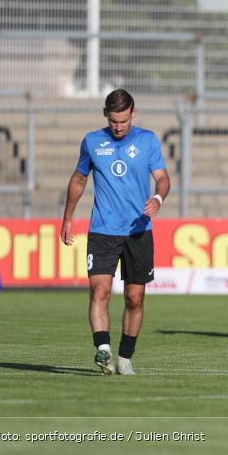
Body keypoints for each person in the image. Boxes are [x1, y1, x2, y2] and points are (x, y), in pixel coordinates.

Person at [60, 89, 169, 376]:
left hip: (138, 231)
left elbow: (162, 178)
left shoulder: (147, 140)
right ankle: (103, 349)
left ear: (133, 114)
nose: (118, 127)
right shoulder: (92, 142)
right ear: (106, 116)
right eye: (113, 122)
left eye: (123, 121)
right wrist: (68, 218)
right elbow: (79, 178)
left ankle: (124, 358)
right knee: (99, 290)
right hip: (102, 230)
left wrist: (158, 198)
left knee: (135, 299)